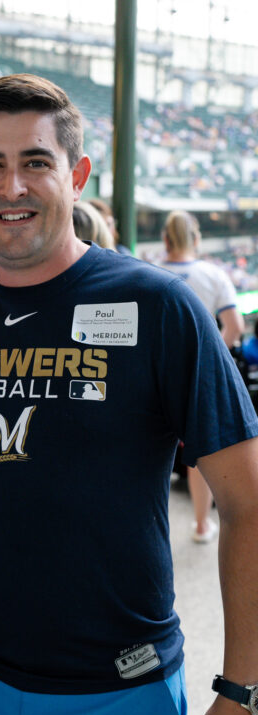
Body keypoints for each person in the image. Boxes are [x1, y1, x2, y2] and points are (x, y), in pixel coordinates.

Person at [0, 74, 258, 715]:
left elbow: (251, 503)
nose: (12, 187)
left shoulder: (158, 307)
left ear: (78, 176)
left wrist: (242, 691)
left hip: (121, 689)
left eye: (36, 163)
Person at [156, 210, 245, 544]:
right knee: (199, 455)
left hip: (153, 371)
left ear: (165, 238)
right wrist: (205, 358)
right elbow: (235, 327)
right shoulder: (214, 274)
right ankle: (200, 525)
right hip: (199, 380)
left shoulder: (148, 269)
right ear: (196, 238)